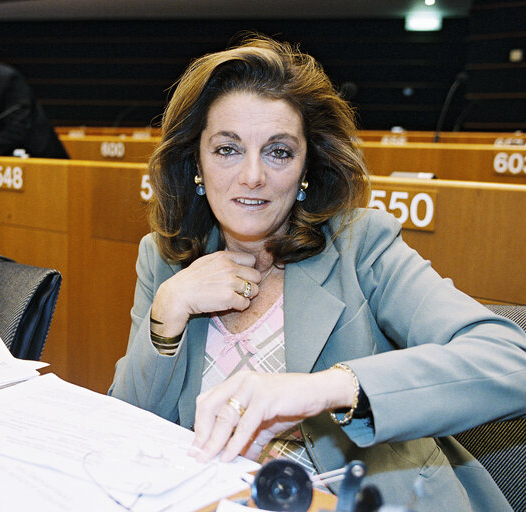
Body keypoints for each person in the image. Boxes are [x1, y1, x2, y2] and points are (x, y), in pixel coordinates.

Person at [109, 35, 526, 511]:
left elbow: (511, 359)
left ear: (307, 166)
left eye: (279, 152)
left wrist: (324, 388)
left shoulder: (360, 244)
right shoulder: (164, 259)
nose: (252, 176)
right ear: (196, 162)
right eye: (227, 149)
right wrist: (166, 311)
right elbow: (129, 428)